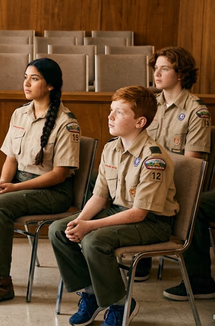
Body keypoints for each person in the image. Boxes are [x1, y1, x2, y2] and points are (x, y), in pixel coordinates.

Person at [0, 58, 80, 306]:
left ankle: (0, 281)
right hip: (19, 181)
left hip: (53, 190)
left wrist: (13, 189)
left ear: (51, 85)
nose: (27, 83)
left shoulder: (67, 122)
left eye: (34, 78)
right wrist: (2, 183)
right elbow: (11, 158)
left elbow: (58, 175)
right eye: (25, 77)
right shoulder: (20, 113)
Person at [50, 86, 179, 326]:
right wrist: (81, 220)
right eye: (111, 111)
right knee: (59, 230)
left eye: (119, 113)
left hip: (151, 222)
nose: (110, 117)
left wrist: (90, 226)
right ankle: (91, 293)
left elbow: (139, 213)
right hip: (119, 212)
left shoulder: (153, 158)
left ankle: (121, 304)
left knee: (94, 240)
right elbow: (99, 196)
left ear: (140, 121)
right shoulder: (111, 148)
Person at [142, 47, 213, 300]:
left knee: (185, 202)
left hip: (180, 182)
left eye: (165, 68)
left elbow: (192, 167)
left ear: (180, 74)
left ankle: (199, 279)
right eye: (155, 68)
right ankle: (140, 260)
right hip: (152, 176)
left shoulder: (196, 111)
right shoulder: (151, 104)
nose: (157, 73)